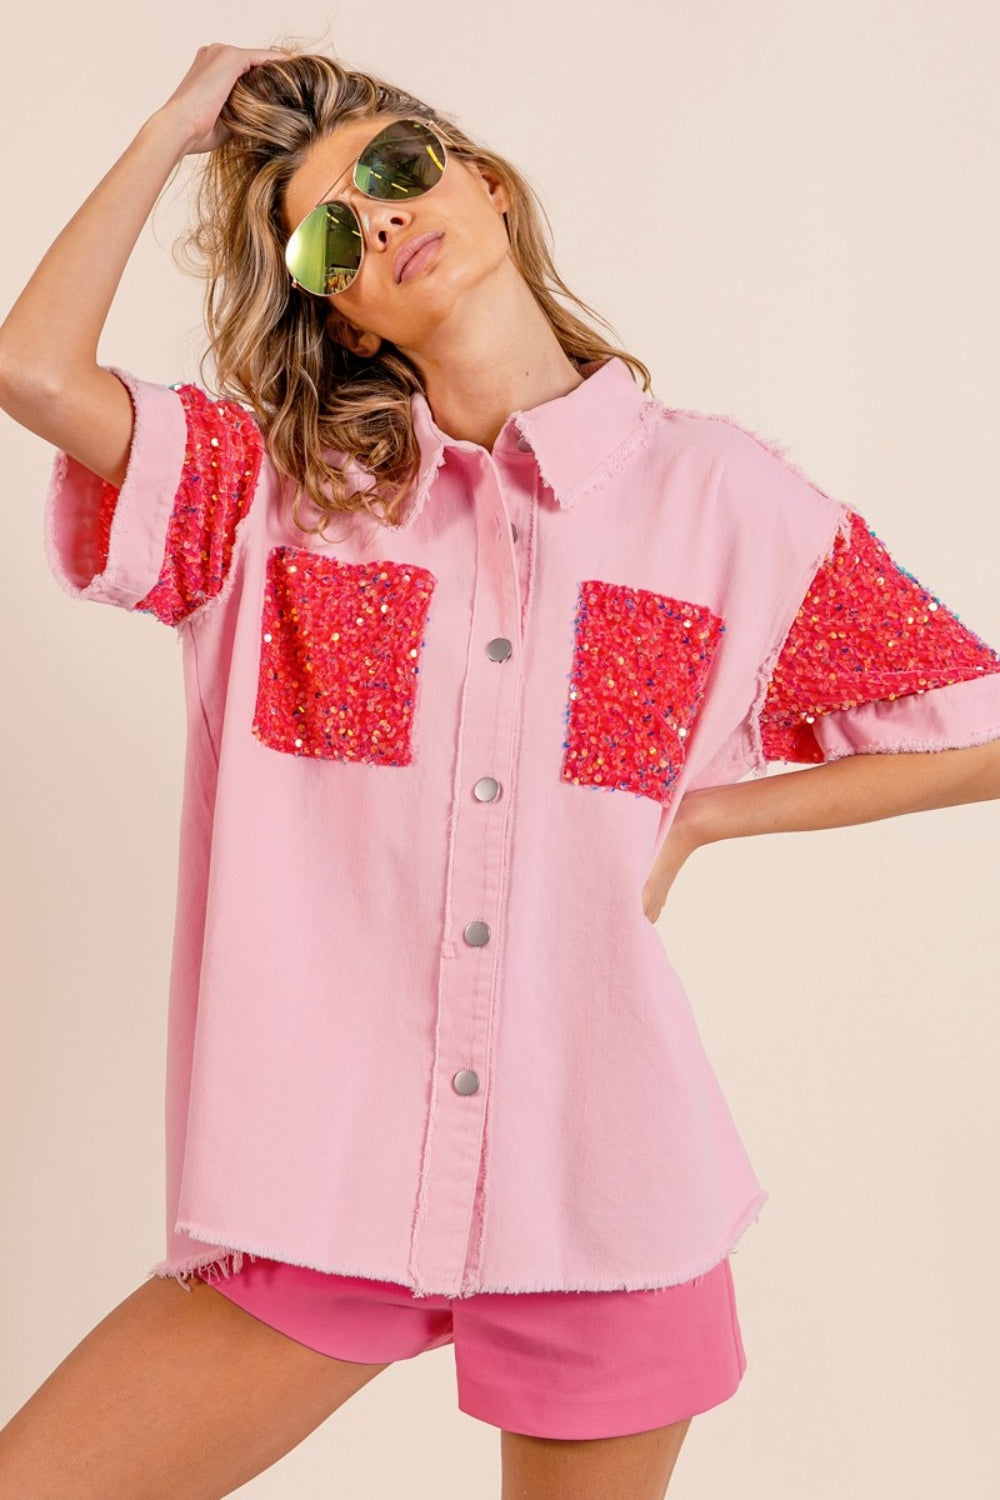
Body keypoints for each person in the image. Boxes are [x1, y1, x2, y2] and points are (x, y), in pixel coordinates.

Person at [1, 41, 999, 1500]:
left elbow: (975, 726)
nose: (383, 215)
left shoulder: (726, 501)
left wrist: (712, 816)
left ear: (483, 182)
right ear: (335, 310)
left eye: (398, 166)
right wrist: (171, 126)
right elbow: (32, 368)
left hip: (601, 1190)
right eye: (328, 229)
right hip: (321, 1188)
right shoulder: (268, 498)